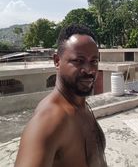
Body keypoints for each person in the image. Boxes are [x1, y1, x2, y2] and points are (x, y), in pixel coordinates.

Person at [15, 24, 107, 167]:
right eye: (78, 61)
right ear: (57, 61)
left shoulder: (82, 105)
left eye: (93, 61)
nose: (89, 70)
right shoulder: (49, 120)